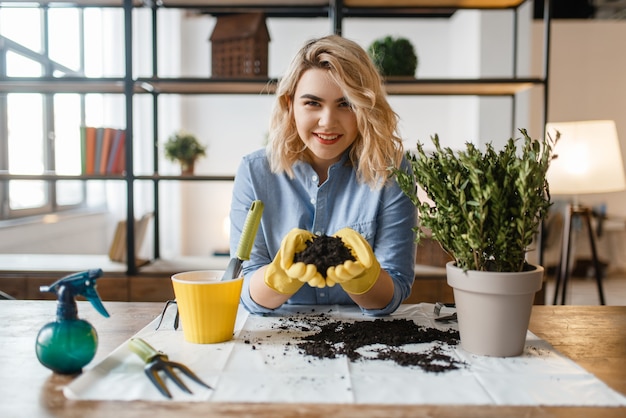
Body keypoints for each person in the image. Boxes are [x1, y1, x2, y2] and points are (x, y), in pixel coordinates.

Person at [229, 34, 416, 316]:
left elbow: (395, 289)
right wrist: (278, 277)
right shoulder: (255, 172)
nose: (327, 121)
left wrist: (363, 279)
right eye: (312, 103)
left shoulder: (391, 172)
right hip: (279, 337)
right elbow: (243, 288)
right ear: (290, 104)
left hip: (365, 340)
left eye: (346, 104)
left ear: (365, 107)